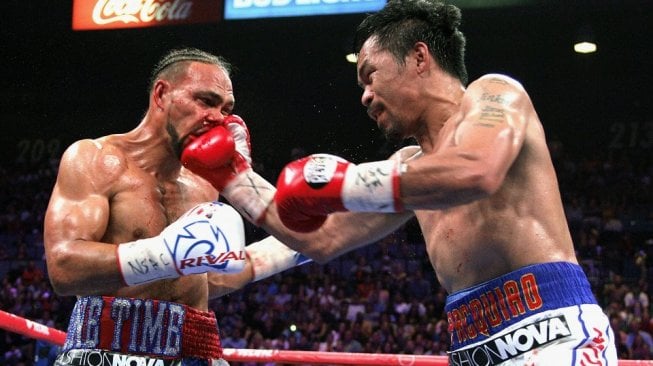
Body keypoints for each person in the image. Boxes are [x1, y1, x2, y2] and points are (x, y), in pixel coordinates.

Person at [180, 0, 618, 364]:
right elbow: (322, 238)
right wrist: (234, 175)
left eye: (370, 75)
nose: (365, 95)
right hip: (472, 348)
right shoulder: (410, 166)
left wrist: (344, 184)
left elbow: (476, 168)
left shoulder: (495, 94)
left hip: (555, 336)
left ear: (420, 58)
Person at [43, 48, 310, 366]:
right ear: (161, 94)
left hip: (196, 349)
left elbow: (202, 275)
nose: (219, 118)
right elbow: (64, 268)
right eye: (206, 101)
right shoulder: (96, 158)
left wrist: (298, 245)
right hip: (107, 347)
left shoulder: (208, 180)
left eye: (226, 109)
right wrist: (165, 254)